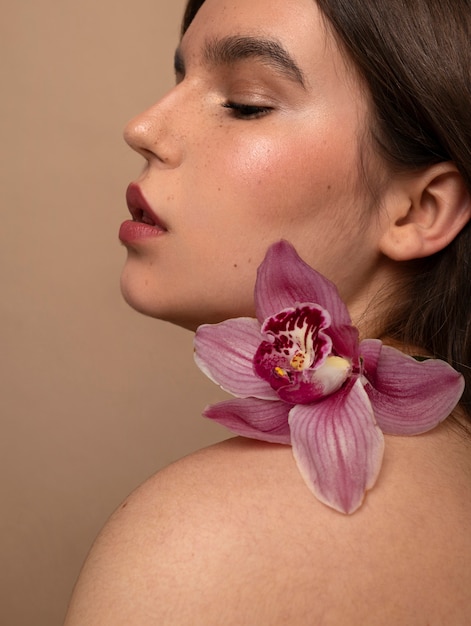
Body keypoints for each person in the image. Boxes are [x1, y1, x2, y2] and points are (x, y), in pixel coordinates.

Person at [64, 0, 471, 623]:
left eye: (246, 102)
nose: (142, 127)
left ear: (419, 211)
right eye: (180, 79)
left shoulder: (199, 544)